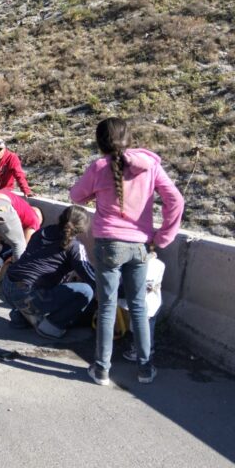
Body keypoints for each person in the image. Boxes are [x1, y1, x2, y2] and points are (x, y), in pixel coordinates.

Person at [71, 117, 183, 386]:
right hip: (140, 245)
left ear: (100, 142)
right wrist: (163, 237)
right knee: (139, 306)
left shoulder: (99, 167)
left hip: (108, 244)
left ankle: (101, 369)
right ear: (129, 138)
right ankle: (145, 369)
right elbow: (176, 201)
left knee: (107, 306)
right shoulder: (151, 166)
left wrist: (96, 194)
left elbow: (76, 196)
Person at [2, 205, 96, 340]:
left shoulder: (42, 232)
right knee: (86, 290)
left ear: (61, 218)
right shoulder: (75, 246)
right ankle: (51, 327)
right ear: (82, 228)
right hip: (28, 294)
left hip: (8, 286)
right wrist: (117, 288)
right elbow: (91, 276)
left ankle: (21, 316)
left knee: (55, 285)